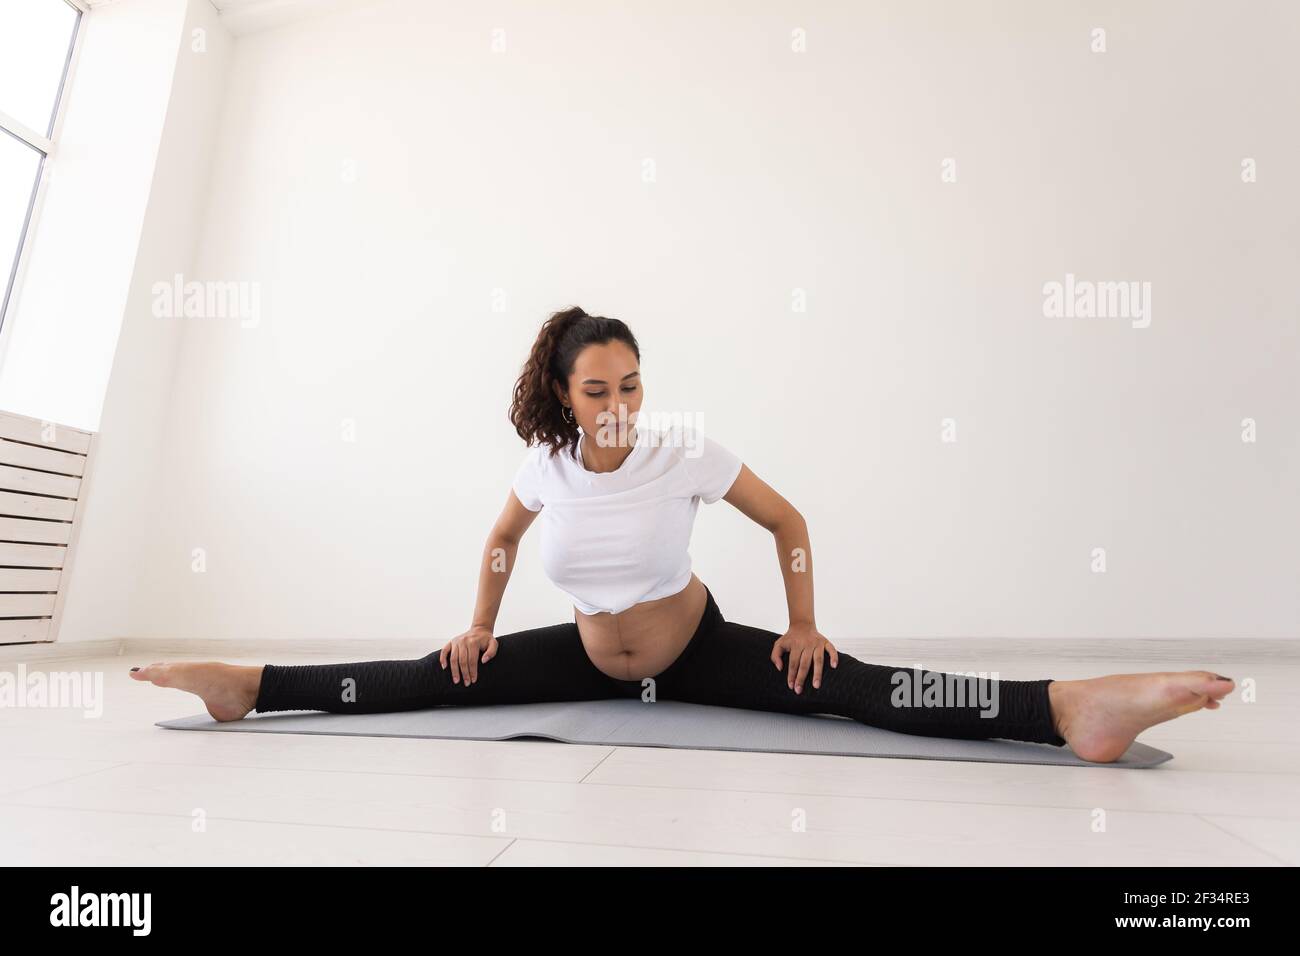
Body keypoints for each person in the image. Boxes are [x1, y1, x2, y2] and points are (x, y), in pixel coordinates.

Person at [132, 306, 1235, 763]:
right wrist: (477, 622)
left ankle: (1066, 710)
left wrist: (802, 621)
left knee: (857, 684)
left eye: (632, 382)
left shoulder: (683, 449)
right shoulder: (546, 464)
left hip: (693, 647)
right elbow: (502, 537)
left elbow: (786, 518)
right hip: (589, 656)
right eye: (599, 388)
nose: (620, 403)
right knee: (428, 675)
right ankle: (248, 685)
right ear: (564, 396)